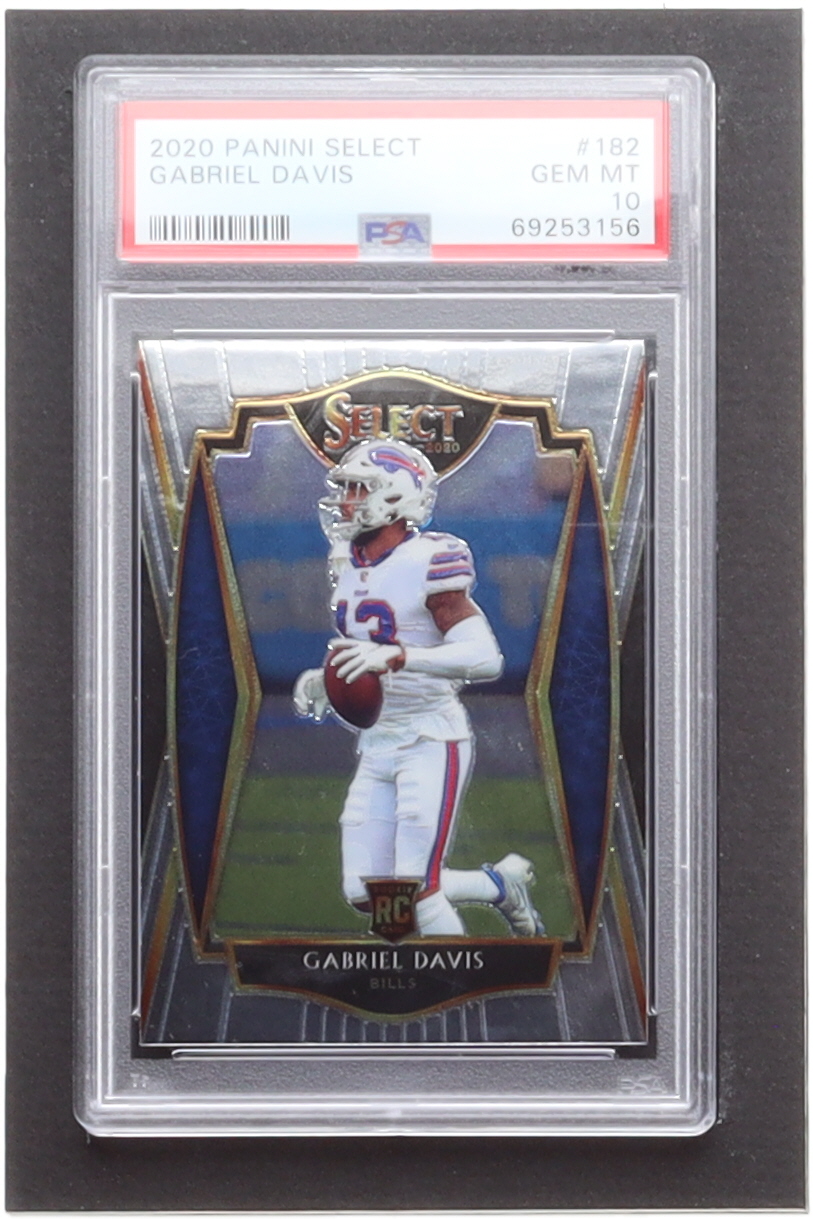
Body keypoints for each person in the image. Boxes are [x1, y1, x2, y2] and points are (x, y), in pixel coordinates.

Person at [293, 437, 544, 937]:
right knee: (365, 891)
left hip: (430, 737)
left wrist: (403, 656)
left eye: (357, 489)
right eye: (345, 489)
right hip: (379, 740)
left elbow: (485, 658)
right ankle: (497, 886)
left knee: (416, 894)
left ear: (395, 495)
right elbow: (367, 649)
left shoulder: (430, 558)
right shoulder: (350, 563)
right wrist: (329, 680)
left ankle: (455, 975)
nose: (345, 502)